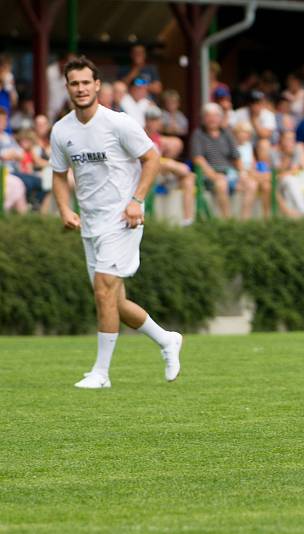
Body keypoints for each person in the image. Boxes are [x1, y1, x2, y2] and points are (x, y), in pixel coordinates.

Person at [49, 56, 181, 389]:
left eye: (85, 82)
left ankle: (101, 373)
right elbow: (59, 175)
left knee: (104, 289)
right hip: (90, 224)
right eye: (74, 83)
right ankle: (166, 339)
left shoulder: (118, 123)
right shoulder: (61, 130)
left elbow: (152, 158)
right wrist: (65, 209)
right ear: (67, 88)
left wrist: (137, 201)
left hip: (123, 220)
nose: (80, 88)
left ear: (97, 86)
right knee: (112, 300)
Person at [190, 102, 249, 219]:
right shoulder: (198, 134)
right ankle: (227, 220)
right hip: (209, 175)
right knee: (221, 183)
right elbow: (198, 159)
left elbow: (236, 156)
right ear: (203, 118)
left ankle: (244, 220)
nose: (212, 119)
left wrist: (242, 172)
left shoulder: (226, 133)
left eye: (216, 116)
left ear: (220, 118)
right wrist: (214, 175)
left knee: (251, 184)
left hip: (229, 173)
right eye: (208, 116)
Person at [143, 107, 195, 225]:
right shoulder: (141, 135)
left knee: (189, 177)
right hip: (148, 174)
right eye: (151, 120)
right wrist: (171, 165)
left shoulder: (158, 137)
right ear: (146, 121)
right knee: (172, 165)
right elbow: (145, 160)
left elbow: (175, 144)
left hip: (162, 173)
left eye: (156, 120)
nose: (154, 123)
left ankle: (188, 221)